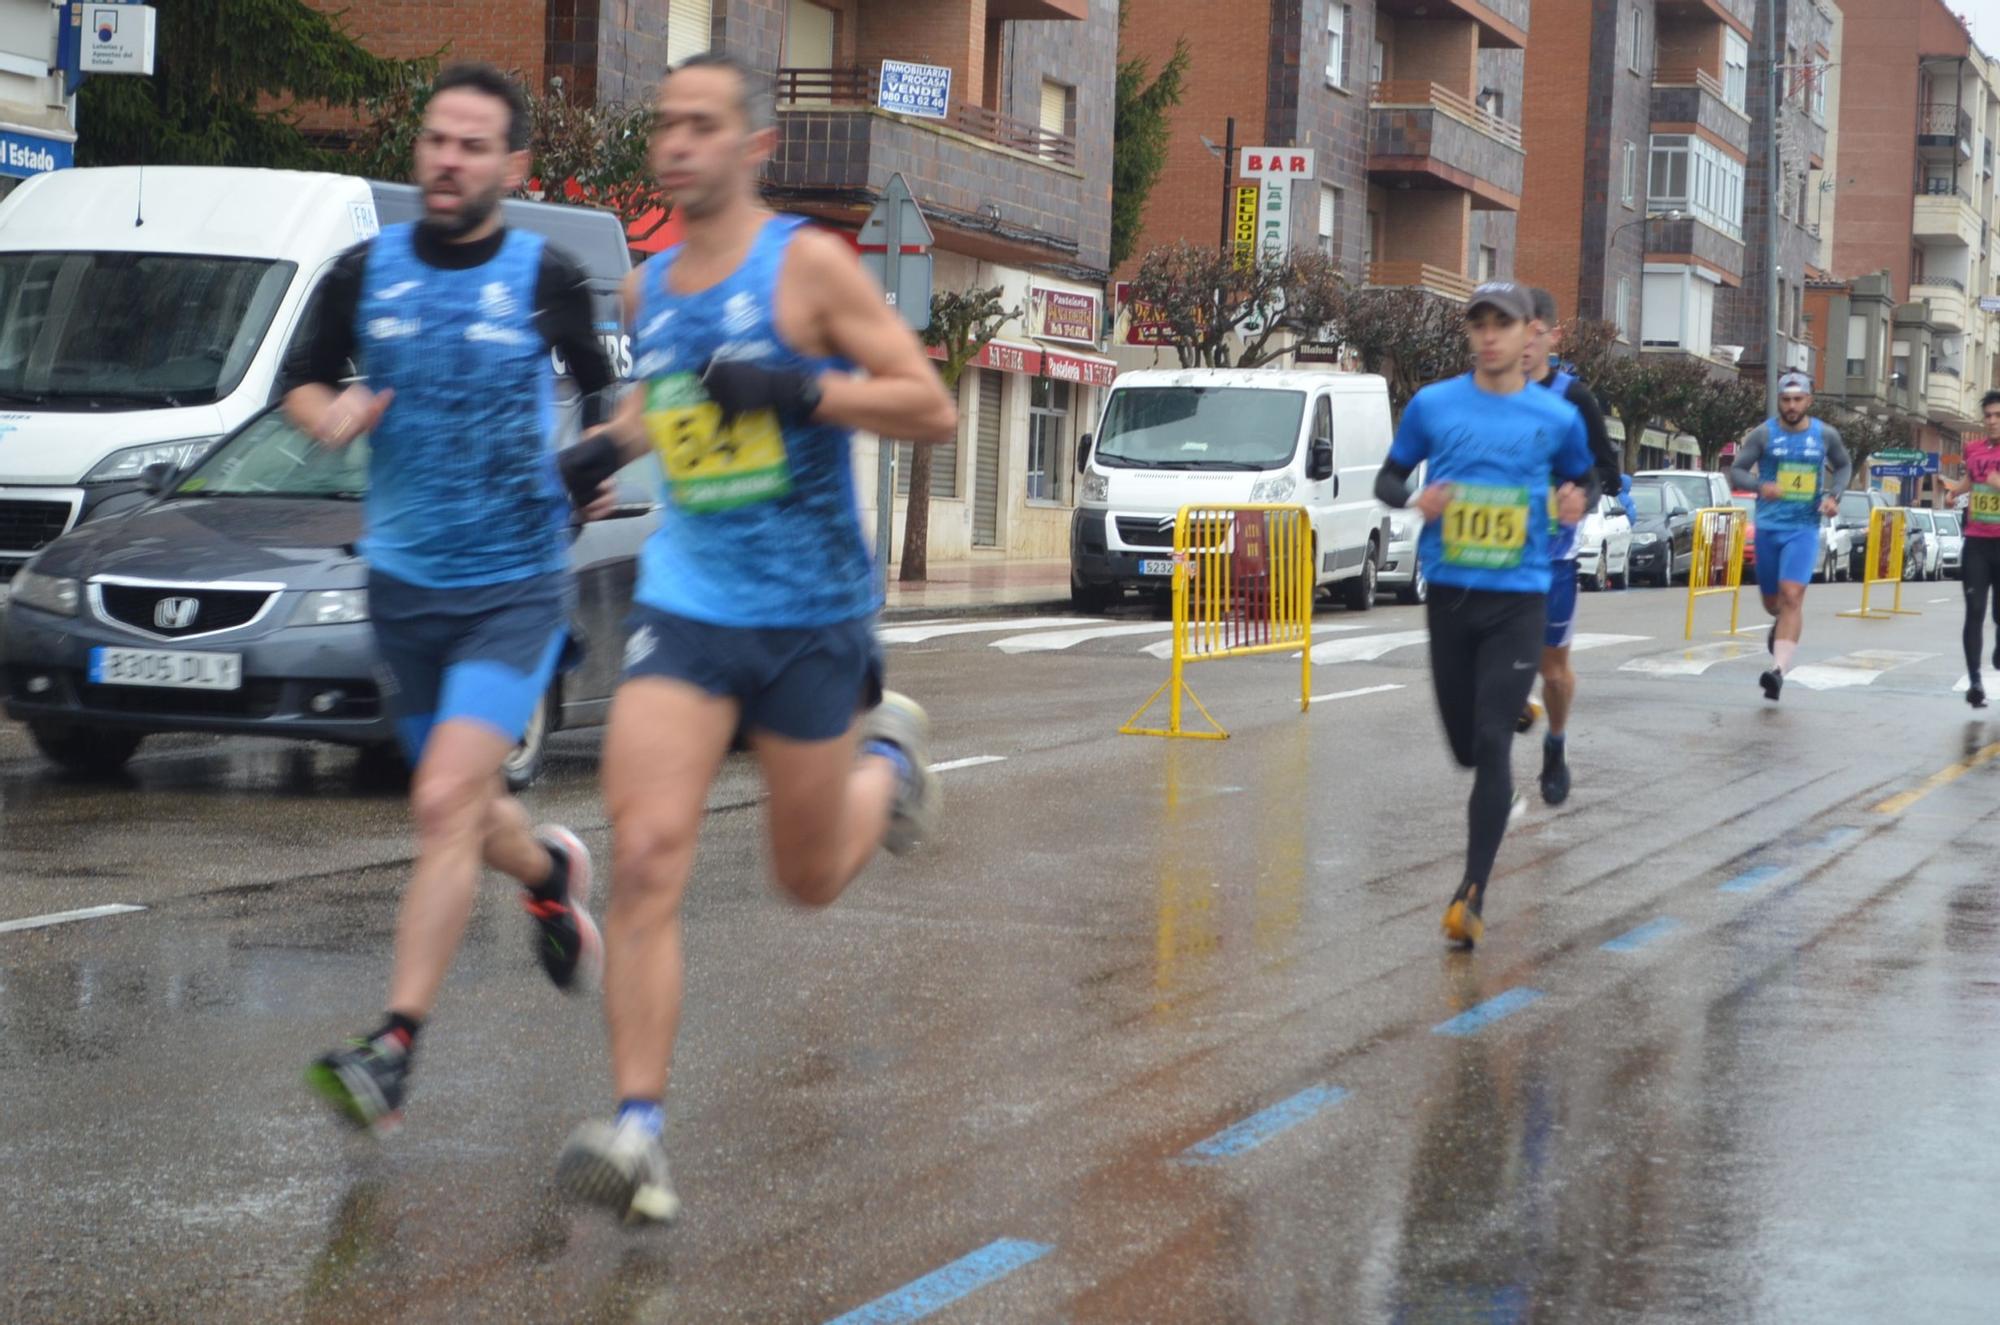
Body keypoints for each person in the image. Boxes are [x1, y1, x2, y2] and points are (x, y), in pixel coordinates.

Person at [548, 52, 959, 1224]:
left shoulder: (810, 267)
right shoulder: (649, 285)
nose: (674, 144)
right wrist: (606, 446)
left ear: (751, 148)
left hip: (812, 610)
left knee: (808, 876)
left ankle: (889, 762)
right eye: (663, 125)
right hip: (687, 605)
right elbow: (669, 400)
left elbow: (925, 403)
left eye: (700, 125)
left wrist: (799, 391)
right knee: (646, 852)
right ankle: (636, 1129)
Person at [283, 64, 621, 1131]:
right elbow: (303, 376)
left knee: (438, 804)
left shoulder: (546, 275)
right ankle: (549, 870)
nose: (447, 158)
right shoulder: (362, 270)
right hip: (404, 586)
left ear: (512, 166)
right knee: (468, 810)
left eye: (473, 145)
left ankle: (393, 1049)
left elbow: (604, 392)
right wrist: (325, 416)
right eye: (436, 139)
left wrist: (593, 460)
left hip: (512, 586)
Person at [1374, 282, 1594, 950]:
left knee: (1492, 740)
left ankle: (1472, 893)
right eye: (1480, 324)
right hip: (1449, 595)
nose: (1491, 336)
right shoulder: (1433, 405)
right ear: (1469, 333)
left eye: (1505, 324)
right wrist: (1418, 496)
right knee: (1467, 747)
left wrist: (1572, 500)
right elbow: (1387, 479)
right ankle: (1510, 710)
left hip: (1519, 599)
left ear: (1531, 332)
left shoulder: (1555, 419)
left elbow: (1583, 476)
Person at [1519, 287, 1621, 804]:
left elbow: (1607, 471)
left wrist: (1579, 494)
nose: (1522, 342)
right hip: (1492, 554)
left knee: (1553, 671)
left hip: (1554, 556)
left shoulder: (1573, 398)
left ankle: (1555, 743)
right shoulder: (1482, 394)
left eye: (1533, 331)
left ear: (1551, 335)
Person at [1726, 372, 1852, 702]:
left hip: (1804, 528)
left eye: (1798, 399)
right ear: (1779, 401)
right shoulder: (1763, 435)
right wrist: (1758, 486)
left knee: (1792, 596)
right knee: (1774, 604)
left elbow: (1843, 466)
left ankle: (1778, 671)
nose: (1792, 406)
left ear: (1809, 400)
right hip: (1769, 528)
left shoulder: (1825, 434)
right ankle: (1780, 627)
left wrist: (1833, 497)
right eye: (1786, 400)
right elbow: (1736, 470)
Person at [1941, 390, 2000, 707]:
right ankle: (1975, 682)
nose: (1992, 421)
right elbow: (1971, 479)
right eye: (1988, 416)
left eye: (1997, 416)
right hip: (1976, 540)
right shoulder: (1974, 449)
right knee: (1974, 612)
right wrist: (1954, 491)